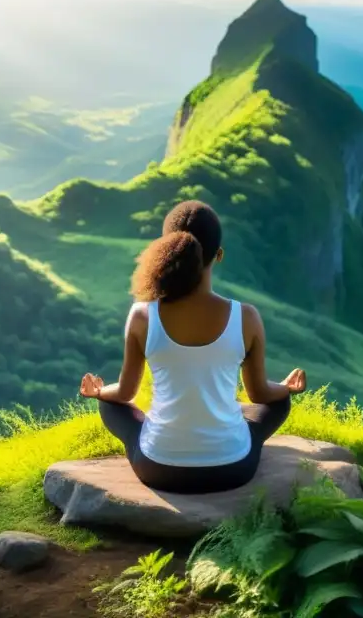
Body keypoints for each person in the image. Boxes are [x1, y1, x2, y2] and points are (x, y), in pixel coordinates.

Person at [78, 200, 307, 495]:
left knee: (110, 405)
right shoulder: (246, 317)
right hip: (233, 469)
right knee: (278, 403)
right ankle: (228, 429)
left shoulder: (142, 315)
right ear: (219, 255)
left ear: (165, 250)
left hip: (158, 468)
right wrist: (287, 389)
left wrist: (99, 392)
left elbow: (125, 393)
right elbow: (259, 394)